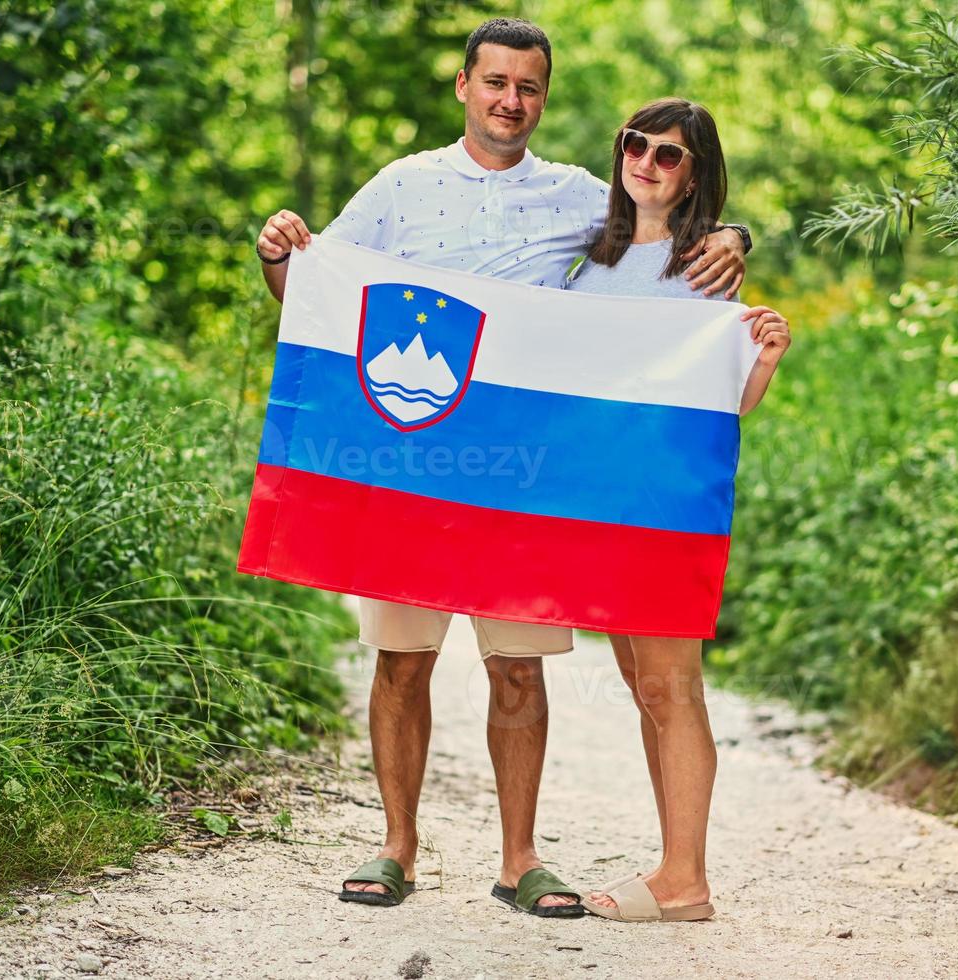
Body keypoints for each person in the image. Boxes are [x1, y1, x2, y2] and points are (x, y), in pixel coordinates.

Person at [251, 20, 753, 916]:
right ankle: (396, 845)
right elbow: (314, 289)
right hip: (412, 459)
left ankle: (520, 858)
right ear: (464, 86)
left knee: (519, 668)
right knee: (403, 661)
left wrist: (736, 235)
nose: (509, 100)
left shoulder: (573, 198)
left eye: (527, 86)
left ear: (544, 99)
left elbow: (658, 224)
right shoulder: (400, 186)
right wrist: (278, 252)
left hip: (519, 478)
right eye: (495, 82)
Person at [565, 98, 790, 923]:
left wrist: (762, 351)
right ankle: (674, 863)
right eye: (637, 145)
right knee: (642, 685)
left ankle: (686, 879)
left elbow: (722, 399)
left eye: (671, 155)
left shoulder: (705, 265)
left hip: (664, 506)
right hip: (603, 503)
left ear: (695, 174)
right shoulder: (590, 257)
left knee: (673, 686)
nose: (648, 163)